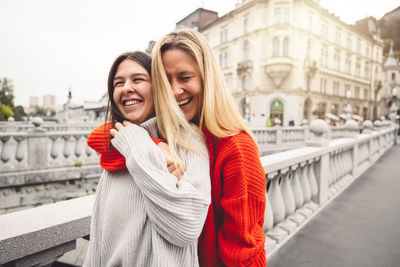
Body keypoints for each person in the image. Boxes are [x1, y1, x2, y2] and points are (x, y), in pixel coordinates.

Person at [151, 28, 267, 266]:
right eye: (166, 81)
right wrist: (155, 144)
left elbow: (243, 253)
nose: (174, 91)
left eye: (185, 78)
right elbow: (104, 139)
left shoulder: (237, 149)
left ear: (208, 79)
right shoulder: (169, 132)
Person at [83, 51, 211, 266]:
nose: (126, 88)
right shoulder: (118, 151)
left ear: (159, 87)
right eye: (118, 83)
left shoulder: (187, 142)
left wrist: (138, 142)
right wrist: (146, 143)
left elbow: (185, 228)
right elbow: (99, 240)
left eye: (138, 79)